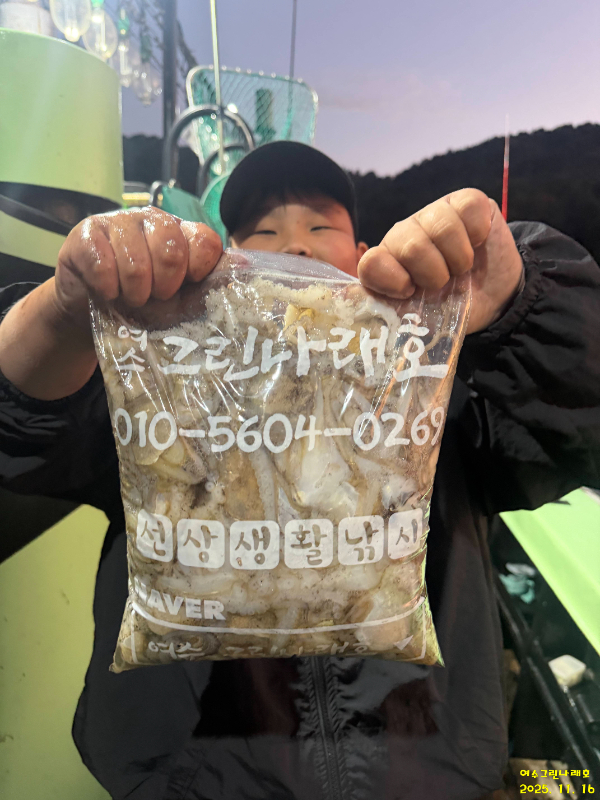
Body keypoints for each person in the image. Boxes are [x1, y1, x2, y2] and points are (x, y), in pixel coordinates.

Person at [0, 141, 598, 800]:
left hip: (427, 770)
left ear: (364, 252)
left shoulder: (432, 388)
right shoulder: (164, 379)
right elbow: (27, 433)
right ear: (227, 257)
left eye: (320, 226)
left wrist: (519, 302)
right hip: (191, 778)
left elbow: (578, 431)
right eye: (263, 233)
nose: (294, 246)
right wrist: (61, 311)